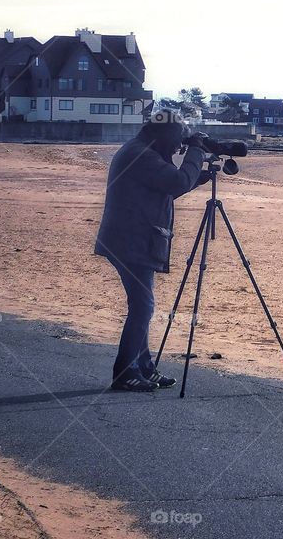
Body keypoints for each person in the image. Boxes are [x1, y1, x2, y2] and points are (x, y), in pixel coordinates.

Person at [95, 110, 209, 391]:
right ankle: (125, 372)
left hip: (131, 238)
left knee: (142, 305)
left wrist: (197, 176)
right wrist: (196, 152)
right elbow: (176, 182)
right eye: (177, 141)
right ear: (165, 134)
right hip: (129, 240)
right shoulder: (142, 156)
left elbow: (168, 188)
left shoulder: (142, 151)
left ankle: (143, 367)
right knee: (143, 305)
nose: (177, 147)